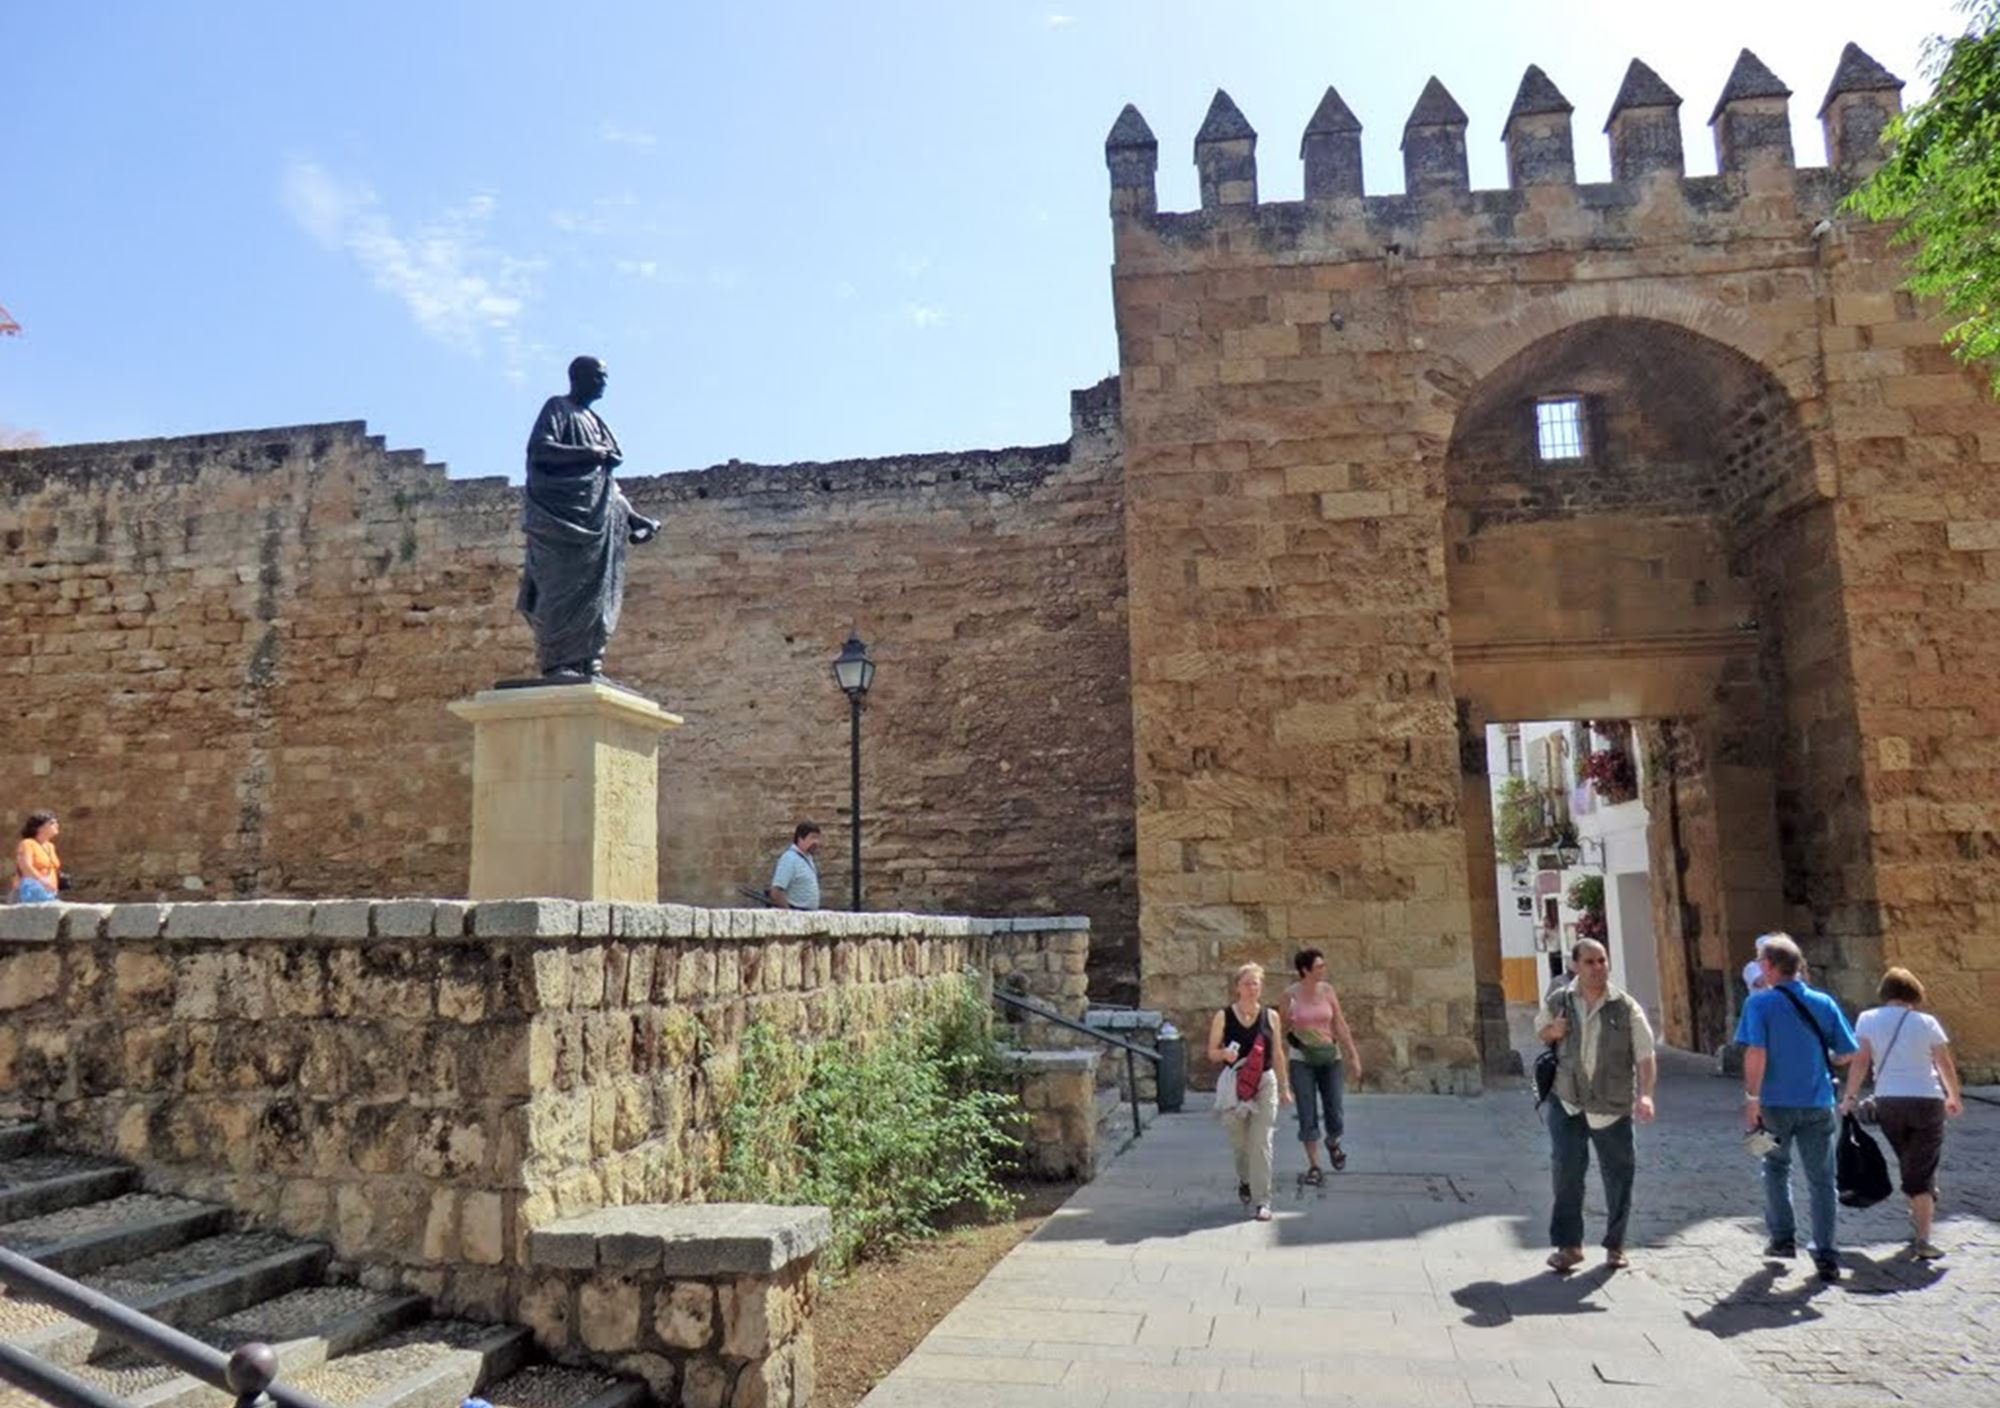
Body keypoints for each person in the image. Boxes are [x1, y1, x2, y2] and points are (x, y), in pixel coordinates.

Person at [517, 355, 663, 680]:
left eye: (605, 377)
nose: (603, 383)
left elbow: (605, 484)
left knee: (598, 592)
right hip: (562, 521)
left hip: (597, 525)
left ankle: (588, 661)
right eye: (598, 376)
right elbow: (540, 451)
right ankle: (558, 663)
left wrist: (634, 518)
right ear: (578, 378)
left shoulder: (596, 422)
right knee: (560, 589)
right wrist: (588, 453)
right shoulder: (558, 408)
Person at [1735, 932, 1858, 1282]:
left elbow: (1756, 1052)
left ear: (1770, 966)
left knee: (1774, 1167)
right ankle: (1827, 1252)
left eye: (1762, 962)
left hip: (1772, 1104)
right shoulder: (1823, 1002)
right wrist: (1825, 1061)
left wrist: (1751, 1099)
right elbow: (1848, 1052)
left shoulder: (1759, 1004)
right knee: (1822, 1179)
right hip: (1818, 1101)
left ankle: (1782, 1239)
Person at [1535, 938, 1657, 1272]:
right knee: (1566, 1174)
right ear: (1575, 965)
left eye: (1602, 960)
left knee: (1619, 1175)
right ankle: (1569, 1246)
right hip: (1567, 1100)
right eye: (1589, 961)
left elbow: (1645, 1055)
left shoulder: (1625, 1006)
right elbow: (1541, 1033)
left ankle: (1615, 1245)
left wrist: (1645, 1094)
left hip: (1611, 1102)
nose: (1597, 967)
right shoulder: (1559, 1000)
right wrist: (1552, 1030)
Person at [1839, 967, 1964, 1259]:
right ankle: (1923, 1238)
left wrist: (1849, 1097)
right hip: (1926, 1100)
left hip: (1889, 1101)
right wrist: (1953, 1095)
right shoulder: (1927, 1022)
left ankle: (1919, 1207)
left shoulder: (1868, 1019)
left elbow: (1860, 1062)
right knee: (1920, 1170)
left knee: (1911, 1162)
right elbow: (1944, 1062)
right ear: (1914, 993)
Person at [1205, 962, 1293, 1221]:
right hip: (1235, 1084)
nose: (1252, 988)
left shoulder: (1271, 1017)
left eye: (1256, 983)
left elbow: (1277, 1053)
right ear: (1237, 988)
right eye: (1247, 983)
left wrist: (1285, 1086)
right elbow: (1211, 1052)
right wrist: (1224, 1053)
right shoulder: (1224, 1016)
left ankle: (1262, 1200)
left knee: (1262, 1141)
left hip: (1265, 1082)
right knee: (1240, 1143)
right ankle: (1245, 1179)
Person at [1283, 948, 1362, 1184]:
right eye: (1318, 966)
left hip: (1330, 1057)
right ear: (1305, 970)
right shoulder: (1289, 995)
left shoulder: (1328, 991)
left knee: (1335, 1108)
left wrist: (1353, 1055)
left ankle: (1333, 1141)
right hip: (1301, 1059)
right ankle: (1314, 1165)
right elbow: (1281, 1028)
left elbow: (1340, 1023)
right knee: (1307, 1111)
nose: (1323, 970)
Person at [768, 822, 822, 910]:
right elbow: (777, 891)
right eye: (812, 837)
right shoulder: (789, 859)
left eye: (817, 838)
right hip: (796, 913)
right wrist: (790, 915)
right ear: (800, 838)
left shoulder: (808, 859)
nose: (816, 842)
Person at [11, 811, 61, 904]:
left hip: (49, 892)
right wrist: (43, 882)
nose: (57, 825)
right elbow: (26, 867)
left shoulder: (50, 846)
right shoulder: (27, 844)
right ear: (40, 828)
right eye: (52, 823)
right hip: (29, 892)